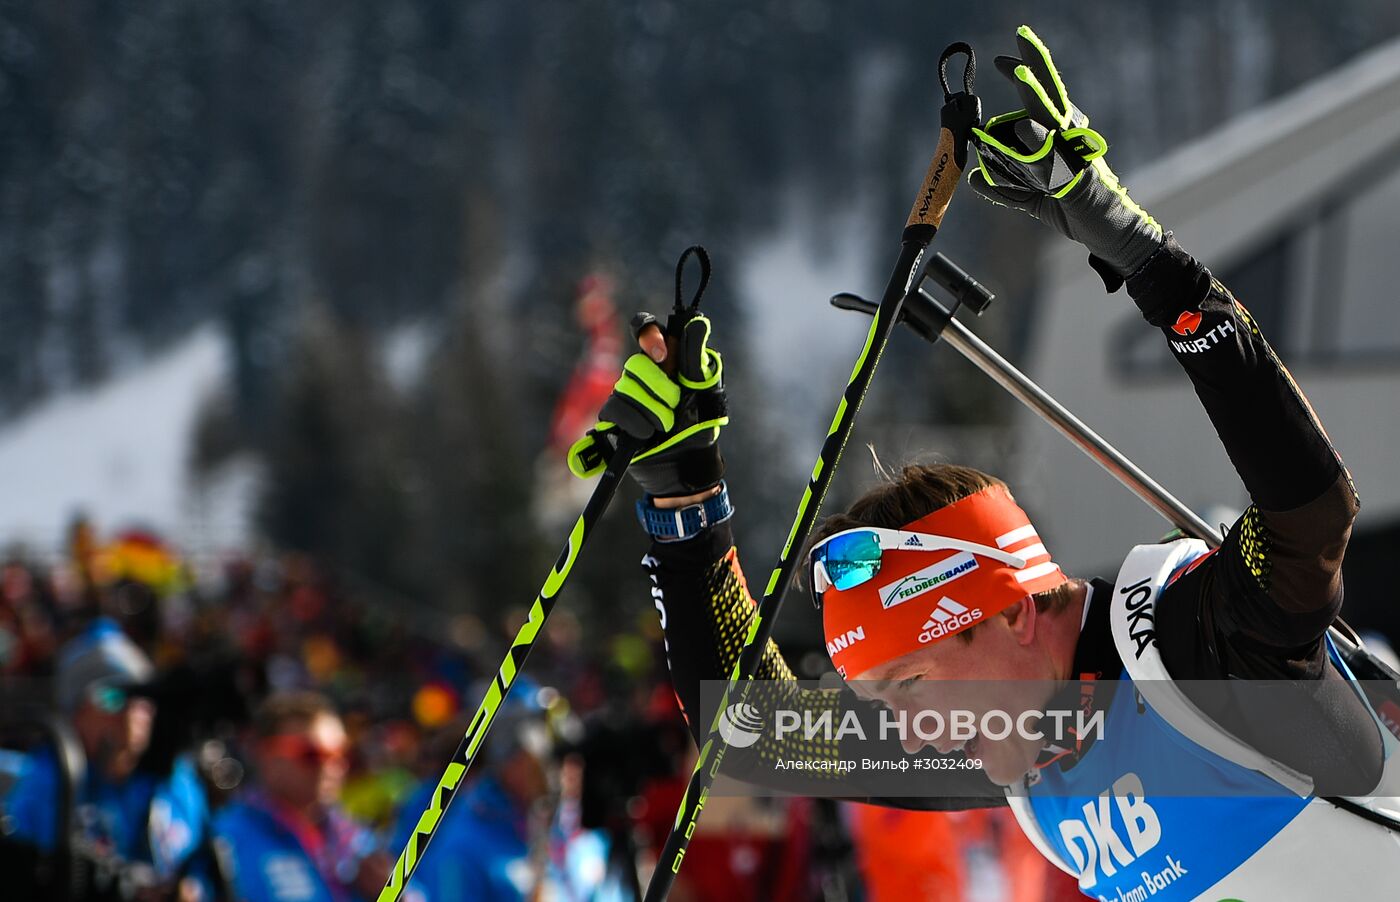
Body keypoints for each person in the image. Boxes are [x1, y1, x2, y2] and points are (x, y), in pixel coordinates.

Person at [571, 26, 1400, 901]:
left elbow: (1308, 516)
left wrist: (1148, 264)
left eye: (908, 683)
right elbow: (761, 733)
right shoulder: (1021, 739)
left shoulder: (1198, 648)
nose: (904, 730)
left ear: (1007, 613)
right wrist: (683, 504)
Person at [1, 616, 213, 901]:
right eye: (112, 697)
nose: (130, 713)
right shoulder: (45, 782)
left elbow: (207, 871)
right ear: (73, 713)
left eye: (142, 698)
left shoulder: (176, 781)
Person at [388, 681, 628, 902]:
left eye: (571, 758)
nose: (565, 773)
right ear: (507, 763)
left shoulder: (585, 838)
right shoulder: (464, 845)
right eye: (548, 758)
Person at [214, 692, 389, 902]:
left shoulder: (355, 839)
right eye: (312, 754)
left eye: (339, 754)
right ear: (266, 755)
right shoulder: (228, 838)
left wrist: (393, 893)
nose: (330, 767)